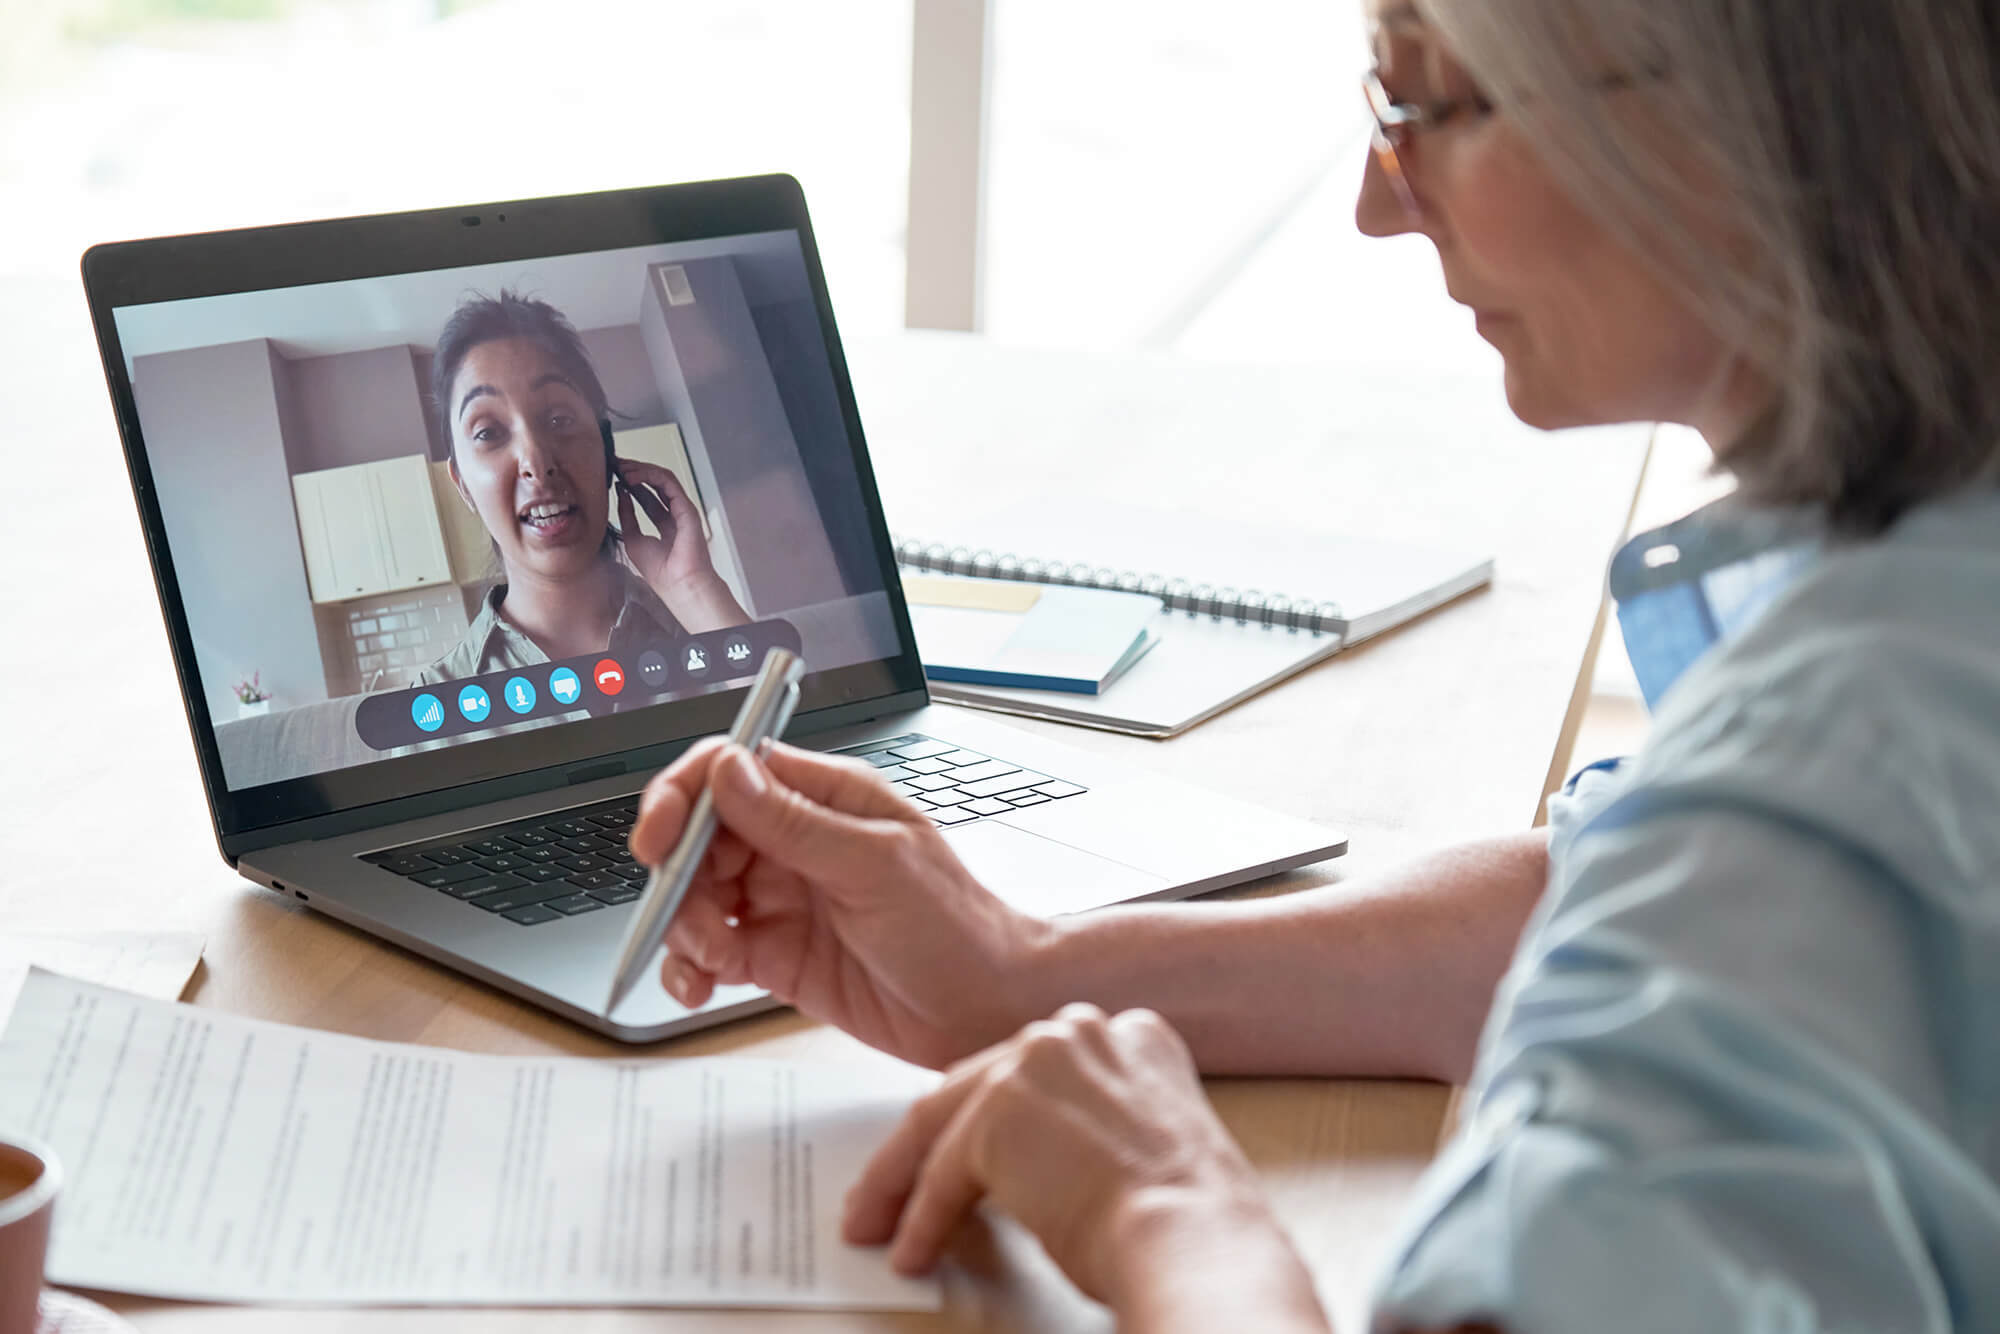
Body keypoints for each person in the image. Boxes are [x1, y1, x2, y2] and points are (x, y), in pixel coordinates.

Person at [630, 0, 2000, 1329]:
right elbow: (1607, 896)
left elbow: (1743, 882)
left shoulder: (1831, 753)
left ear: (1736, 107)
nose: (1377, 200)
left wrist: (1168, 1212)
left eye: (1428, 99)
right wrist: (1022, 967)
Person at [413, 291, 749, 691]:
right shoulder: (437, 699)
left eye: (558, 418)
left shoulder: (703, 632)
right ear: (464, 485)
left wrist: (695, 590)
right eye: (488, 432)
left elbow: (797, 747)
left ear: (606, 448)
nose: (536, 463)